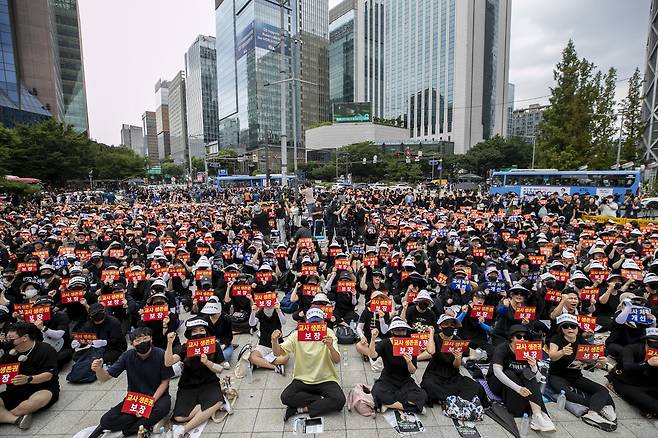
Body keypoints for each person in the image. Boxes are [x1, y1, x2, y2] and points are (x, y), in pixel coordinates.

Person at [87, 327, 174, 438]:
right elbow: (105, 377)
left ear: (151, 339)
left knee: (162, 408)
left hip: (157, 397)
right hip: (135, 398)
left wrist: (149, 403)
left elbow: (165, 382)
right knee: (106, 420)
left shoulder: (161, 354)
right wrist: (99, 370)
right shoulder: (127, 356)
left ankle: (125, 431)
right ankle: (139, 422)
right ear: (132, 344)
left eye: (145, 338)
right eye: (138, 340)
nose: (142, 342)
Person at [273, 307, 346, 421]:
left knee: (340, 400)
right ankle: (323, 400)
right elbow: (278, 353)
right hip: (302, 379)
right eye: (312, 322)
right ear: (307, 322)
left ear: (323, 322)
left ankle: (299, 409)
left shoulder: (329, 333)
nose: (314, 326)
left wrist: (331, 347)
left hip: (325, 378)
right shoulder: (297, 334)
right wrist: (274, 341)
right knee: (285, 397)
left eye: (318, 322)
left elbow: (336, 360)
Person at [547, 314, 616, 430]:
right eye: (566, 326)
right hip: (557, 375)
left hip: (576, 376)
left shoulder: (580, 339)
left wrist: (602, 363)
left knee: (603, 390)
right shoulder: (556, 339)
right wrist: (562, 352)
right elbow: (552, 356)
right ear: (561, 329)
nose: (570, 329)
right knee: (568, 395)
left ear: (577, 328)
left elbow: (594, 359)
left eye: (573, 326)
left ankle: (592, 413)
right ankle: (597, 408)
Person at [164, 317, 227, 438]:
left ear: (206, 331)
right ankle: (212, 406)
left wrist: (208, 363)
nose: (198, 333)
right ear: (190, 334)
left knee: (217, 400)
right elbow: (168, 362)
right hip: (188, 385)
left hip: (209, 383)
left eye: (201, 330)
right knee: (179, 417)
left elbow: (221, 369)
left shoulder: (214, 345)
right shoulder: (185, 347)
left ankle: (183, 429)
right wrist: (169, 343)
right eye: (194, 331)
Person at [487, 324, 556, 432]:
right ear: (511, 338)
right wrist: (518, 388)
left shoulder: (527, 351)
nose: (523, 339)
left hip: (519, 381)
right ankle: (533, 411)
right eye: (519, 337)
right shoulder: (502, 348)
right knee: (509, 372)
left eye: (526, 337)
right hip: (498, 382)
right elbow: (497, 372)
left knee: (528, 373)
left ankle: (537, 415)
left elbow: (538, 379)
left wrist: (533, 366)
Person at [0, 322, 59, 430]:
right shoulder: (8, 354)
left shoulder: (45, 349)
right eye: (7, 338)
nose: (7, 341)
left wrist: (28, 379)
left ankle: (5, 415)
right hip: (15, 390)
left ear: (24, 338)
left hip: (43, 387)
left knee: (35, 402)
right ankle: (15, 420)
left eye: (11, 338)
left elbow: (48, 375)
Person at [420, 315, 487, 407]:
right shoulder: (435, 338)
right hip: (435, 374)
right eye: (446, 324)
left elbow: (456, 366)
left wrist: (457, 358)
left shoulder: (458, 341)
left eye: (452, 325)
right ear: (440, 326)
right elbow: (431, 351)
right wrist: (431, 333)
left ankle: (445, 398)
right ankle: (450, 398)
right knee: (428, 385)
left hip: (452, 375)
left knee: (475, 386)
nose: (449, 327)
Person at [368, 317, 427, 414]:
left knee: (422, 395)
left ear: (406, 331)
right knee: (377, 391)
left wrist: (409, 362)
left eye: (403, 330)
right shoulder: (386, 343)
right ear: (392, 331)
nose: (400, 333)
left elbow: (412, 371)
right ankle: (410, 407)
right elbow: (372, 355)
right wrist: (373, 339)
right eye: (397, 330)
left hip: (405, 381)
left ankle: (388, 404)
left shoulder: (411, 344)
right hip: (387, 379)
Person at [610, 327, 658, 418]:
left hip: (649, 382)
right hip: (627, 383)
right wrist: (647, 363)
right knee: (653, 405)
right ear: (645, 341)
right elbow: (628, 367)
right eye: (652, 343)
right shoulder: (631, 349)